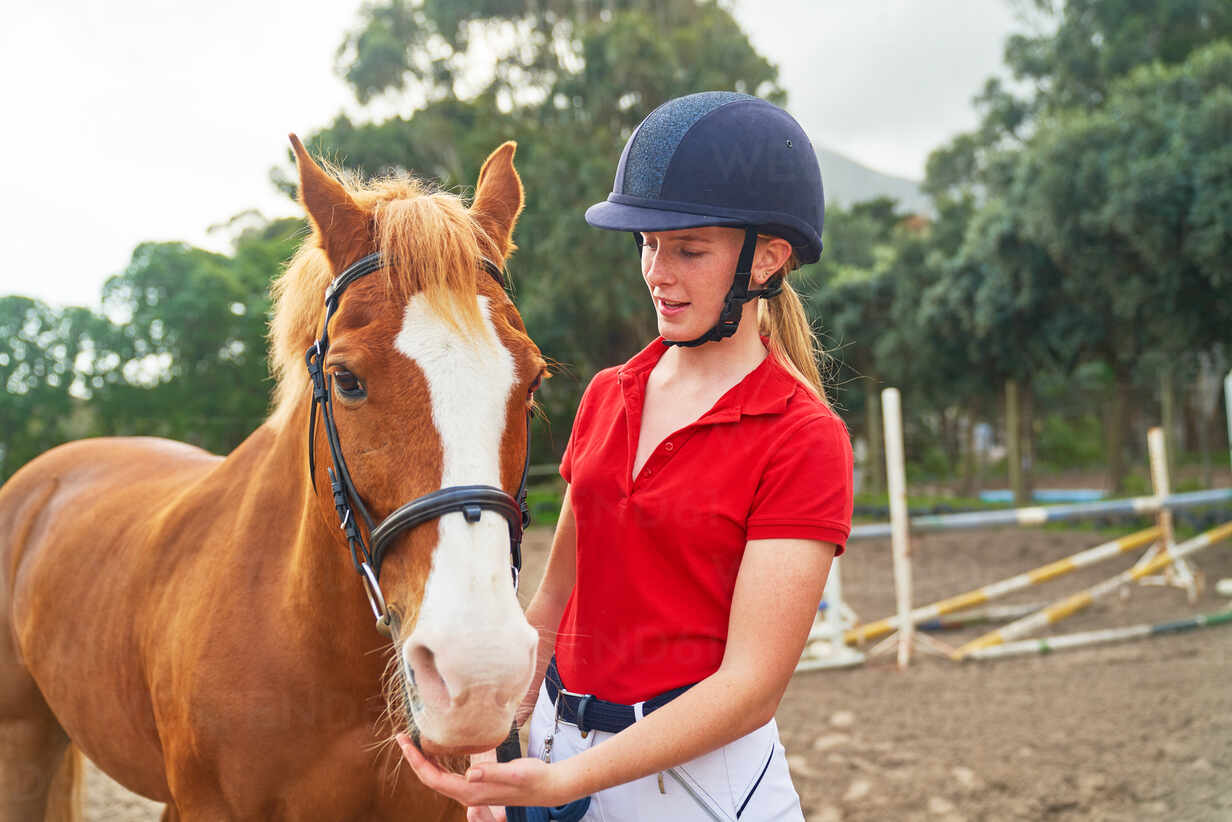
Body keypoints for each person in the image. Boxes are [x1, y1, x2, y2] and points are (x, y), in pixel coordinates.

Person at [401, 91, 853, 822]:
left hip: (698, 786)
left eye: (689, 250)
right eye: (647, 244)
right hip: (556, 748)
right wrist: (498, 750)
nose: (657, 273)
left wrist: (564, 784)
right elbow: (553, 605)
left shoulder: (803, 435)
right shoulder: (609, 395)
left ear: (768, 258)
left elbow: (750, 687)